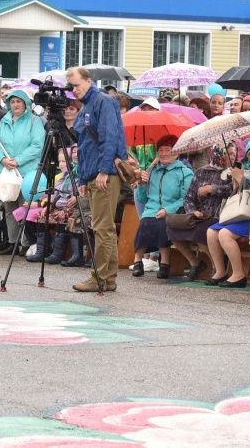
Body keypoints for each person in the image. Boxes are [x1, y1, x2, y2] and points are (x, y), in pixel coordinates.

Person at [67, 66, 128, 293]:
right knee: (104, 228)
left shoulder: (104, 101)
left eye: (76, 85)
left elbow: (110, 137)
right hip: (93, 174)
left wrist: (103, 170)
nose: (73, 90)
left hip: (104, 174)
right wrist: (83, 179)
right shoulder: (86, 107)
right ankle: (108, 277)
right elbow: (83, 148)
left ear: (88, 80)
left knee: (102, 228)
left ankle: (99, 277)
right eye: (70, 87)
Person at [205, 139, 250, 287]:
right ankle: (220, 271)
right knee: (211, 232)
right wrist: (237, 184)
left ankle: (239, 274)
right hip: (243, 216)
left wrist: (243, 181)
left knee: (224, 234)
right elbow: (239, 201)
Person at [0, 88, 45, 255]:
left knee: (25, 206)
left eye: (18, 101)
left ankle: (26, 243)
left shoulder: (35, 121)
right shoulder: (4, 121)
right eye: (12, 102)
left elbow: (37, 145)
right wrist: (3, 159)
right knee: (9, 207)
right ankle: (12, 241)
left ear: (26, 103)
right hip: (6, 171)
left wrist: (18, 160)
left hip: (26, 171)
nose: (15, 105)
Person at [132, 135, 193, 279]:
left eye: (168, 150)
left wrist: (167, 210)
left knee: (161, 223)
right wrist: (141, 184)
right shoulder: (152, 171)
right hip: (151, 210)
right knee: (145, 222)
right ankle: (137, 261)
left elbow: (185, 199)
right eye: (161, 150)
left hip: (174, 211)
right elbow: (142, 198)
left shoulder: (185, 173)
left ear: (177, 152)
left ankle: (164, 263)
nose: (164, 153)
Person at [170, 146, 233, 280]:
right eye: (228, 154)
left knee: (200, 231)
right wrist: (193, 211)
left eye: (234, 153)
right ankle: (195, 263)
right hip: (200, 214)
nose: (232, 156)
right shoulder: (201, 172)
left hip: (219, 215)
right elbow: (188, 197)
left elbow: (232, 190)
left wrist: (212, 189)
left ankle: (218, 267)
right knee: (172, 229)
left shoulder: (233, 172)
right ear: (217, 154)